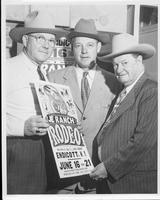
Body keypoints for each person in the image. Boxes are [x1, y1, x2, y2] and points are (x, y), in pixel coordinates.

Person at [47, 18, 122, 194]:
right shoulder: (54, 78)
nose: (84, 51)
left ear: (98, 48)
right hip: (63, 178)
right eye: (78, 45)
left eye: (89, 45)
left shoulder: (114, 81)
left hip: (99, 178)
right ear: (72, 48)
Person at [6, 10, 67, 194]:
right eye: (40, 38)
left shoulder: (44, 76)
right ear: (25, 40)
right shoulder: (7, 69)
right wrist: (21, 127)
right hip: (17, 152)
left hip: (42, 154)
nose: (47, 45)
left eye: (50, 40)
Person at [90, 33, 157, 193]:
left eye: (124, 63)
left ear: (139, 60)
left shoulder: (151, 91)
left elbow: (143, 142)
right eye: (115, 65)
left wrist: (109, 167)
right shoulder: (124, 91)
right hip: (112, 181)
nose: (119, 70)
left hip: (133, 183)